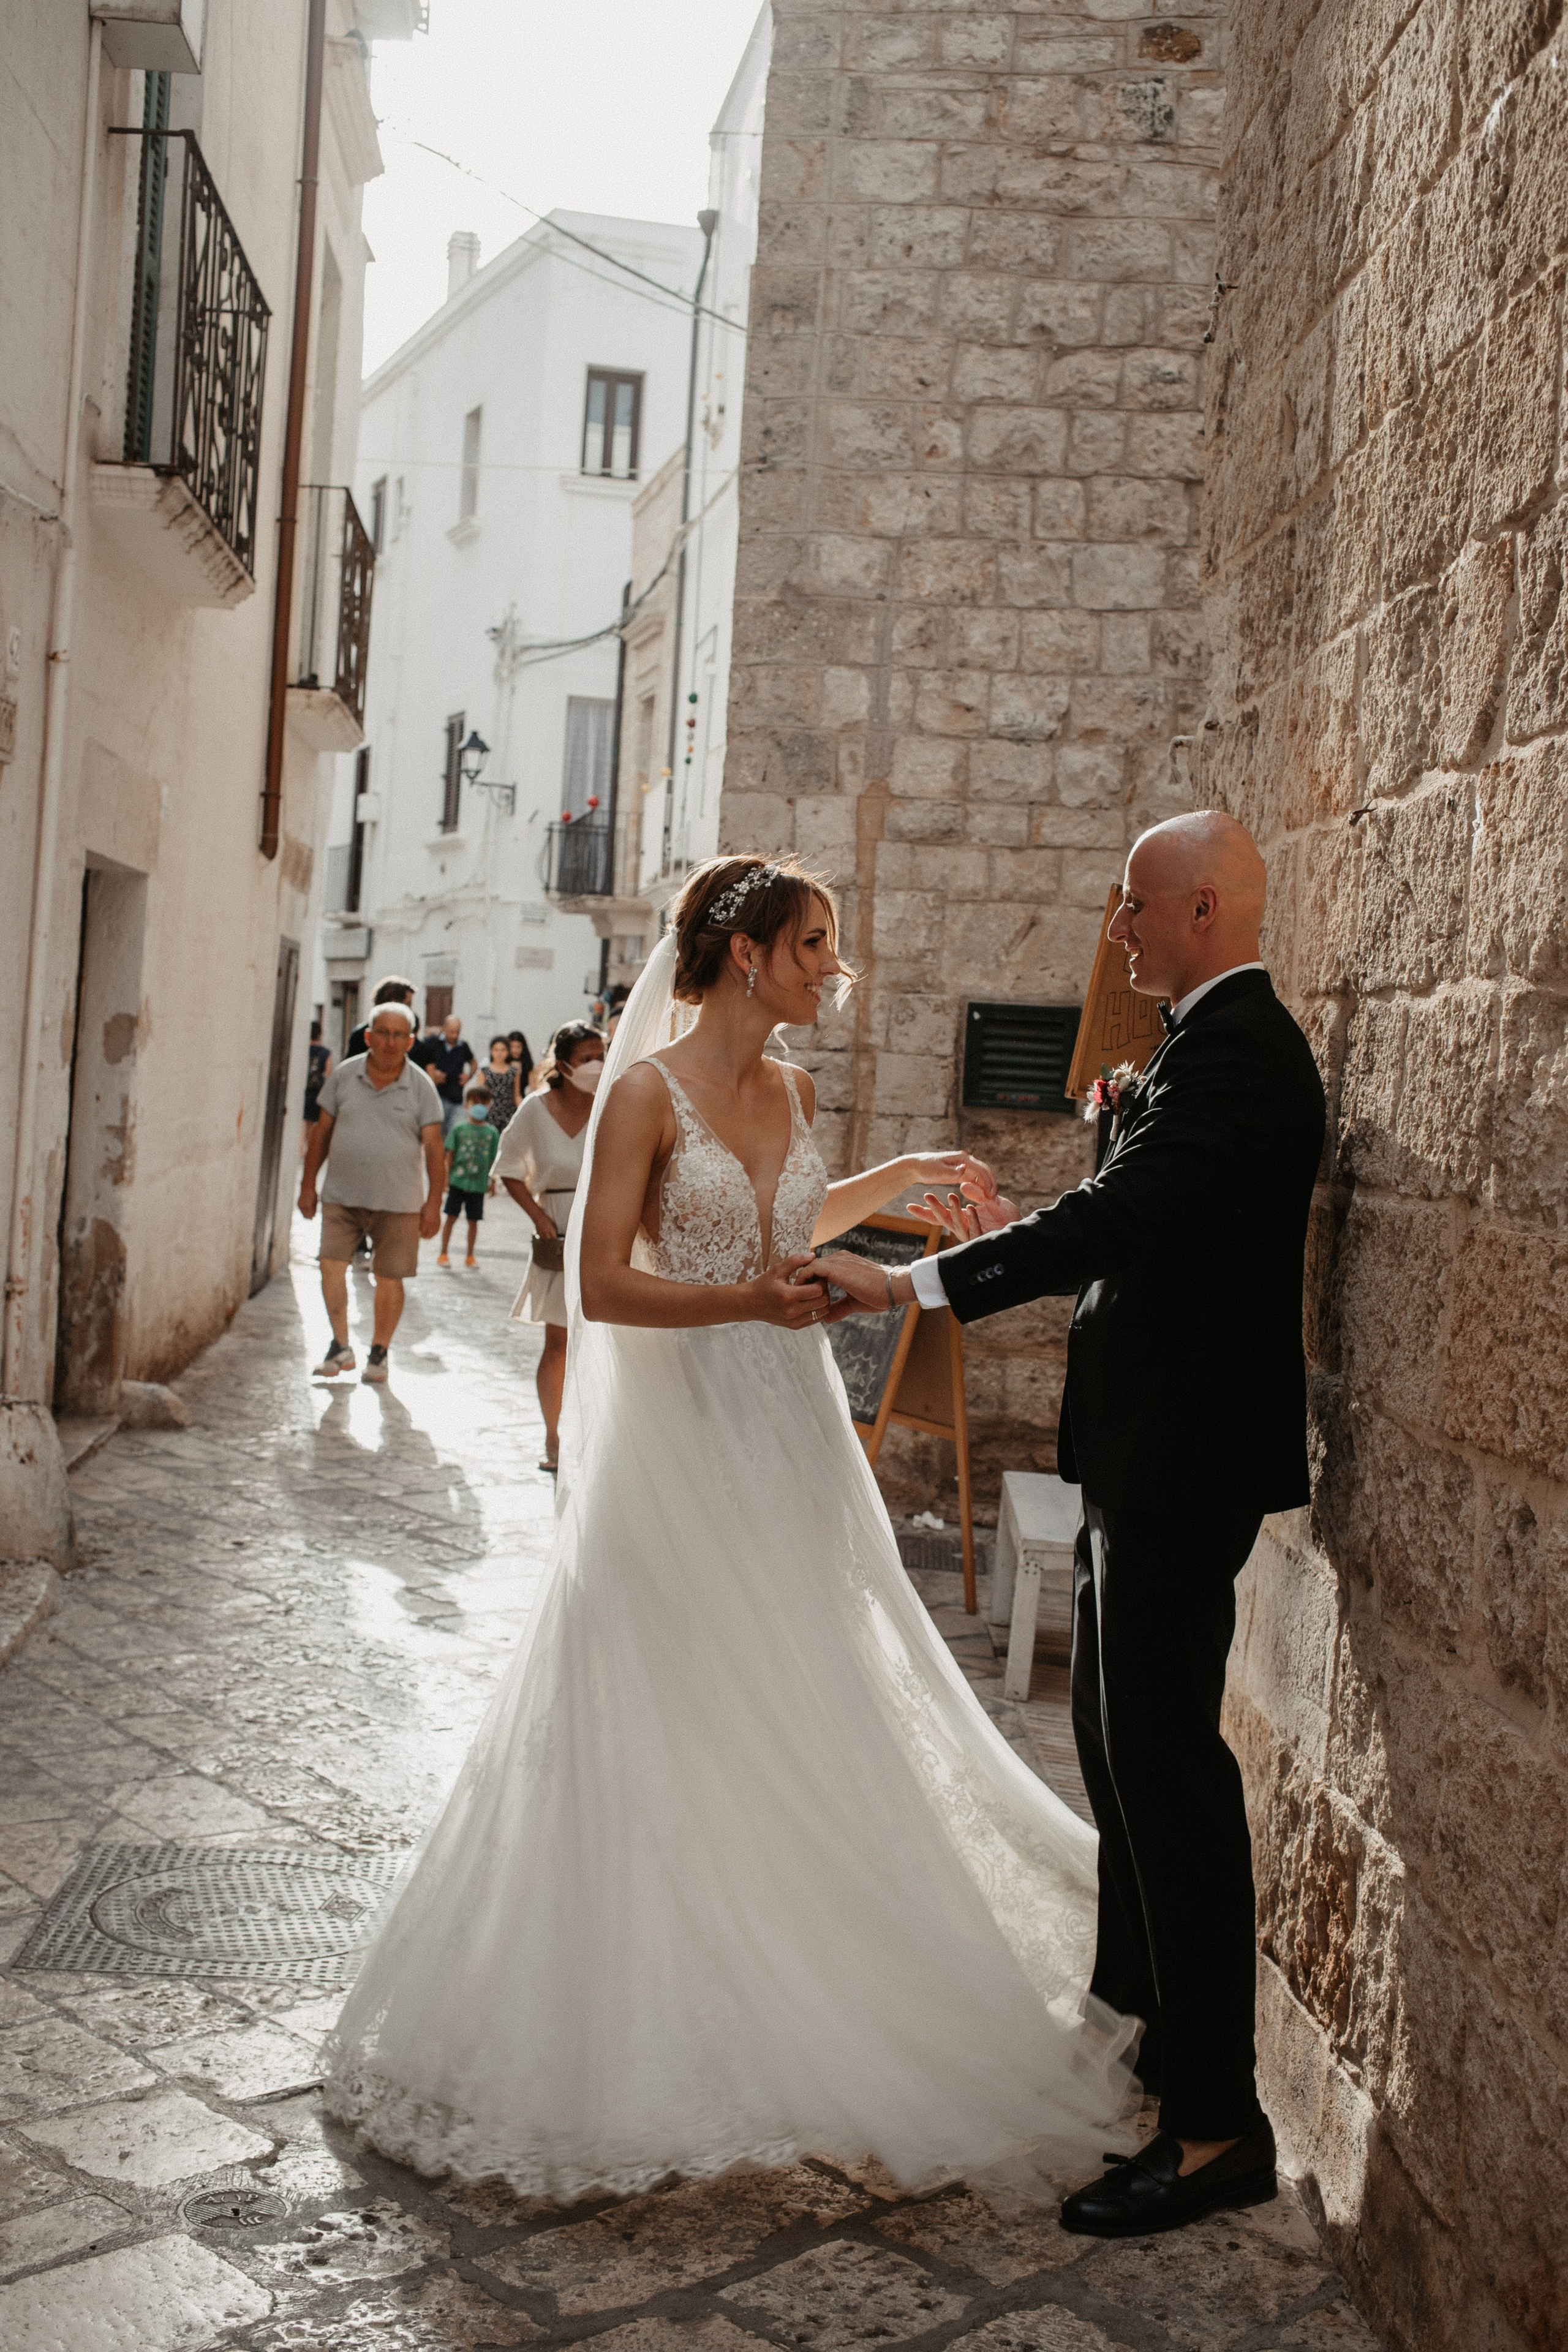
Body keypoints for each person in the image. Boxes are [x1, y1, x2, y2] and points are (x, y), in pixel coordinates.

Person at [323, 853, 1140, 2201]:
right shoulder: (643, 1094)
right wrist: (745, 1312)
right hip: (682, 1430)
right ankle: (659, 2013)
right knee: (665, 1690)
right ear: (746, 955)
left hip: (788, 1433)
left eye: (833, 945)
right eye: (814, 944)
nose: (835, 967)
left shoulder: (797, 1088)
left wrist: (898, 1181)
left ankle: (807, 1970)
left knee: (795, 1682)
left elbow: (781, 1225)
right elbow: (603, 1284)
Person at [818, 811, 1327, 2240]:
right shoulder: (1195, 1045)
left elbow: (1116, 1221)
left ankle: (1214, 2120)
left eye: (1135, 907)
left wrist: (911, 1284)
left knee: (1167, 1772)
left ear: (1205, 908)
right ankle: (1133, 2027)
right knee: (1114, 1745)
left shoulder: (1241, 1058)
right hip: (1141, 1457)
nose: (1117, 928)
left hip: (1180, 1467)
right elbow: (1126, 1212)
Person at [299, 1003, 445, 1384]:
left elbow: (434, 1149)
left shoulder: (421, 1087)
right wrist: (307, 1186)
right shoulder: (345, 1076)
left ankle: (379, 1351)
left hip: (399, 1202)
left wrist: (434, 1204)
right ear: (368, 1035)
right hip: (342, 1195)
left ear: (411, 1041)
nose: (390, 1042)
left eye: (399, 1035)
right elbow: (321, 1134)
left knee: (390, 1277)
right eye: (383, 1032)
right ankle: (340, 1345)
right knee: (331, 1265)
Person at [492, 1020, 605, 1471]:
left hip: (604, 1225)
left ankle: (595, 1435)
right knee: (558, 1342)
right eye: (587, 1058)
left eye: (602, 1053)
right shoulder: (536, 1111)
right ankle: (554, 1436)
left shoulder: (611, 1106)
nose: (597, 1064)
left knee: (603, 1339)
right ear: (563, 1065)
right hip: (557, 1228)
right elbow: (508, 1167)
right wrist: (540, 1219)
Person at [438, 1082, 502, 1268]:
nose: (479, 1107)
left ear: (489, 1106)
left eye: (483, 1103)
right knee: (450, 1218)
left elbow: (493, 1160)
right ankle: (443, 1253)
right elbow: (449, 1157)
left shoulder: (492, 1133)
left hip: (478, 1185)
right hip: (457, 1183)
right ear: (467, 1105)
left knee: (473, 1221)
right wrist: (445, 1179)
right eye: (475, 1103)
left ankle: (470, 1256)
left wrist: (492, 1182)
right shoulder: (459, 1130)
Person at [347, 974, 417, 1061]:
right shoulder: (359, 1035)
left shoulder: (409, 1034)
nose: (410, 1009)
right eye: (408, 1004)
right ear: (394, 1002)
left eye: (398, 1034)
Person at [429, 1013, 475, 1137]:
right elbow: (421, 1060)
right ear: (444, 1028)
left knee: (454, 1134)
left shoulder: (463, 1046)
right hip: (438, 1096)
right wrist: (433, 1074)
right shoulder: (433, 1043)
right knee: (438, 1134)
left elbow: (474, 1063)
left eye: (457, 1032)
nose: (455, 1035)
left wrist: (469, 1076)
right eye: (452, 1032)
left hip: (456, 1096)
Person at [301, 1020, 331, 1159]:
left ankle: (302, 1149)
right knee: (316, 1123)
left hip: (305, 1089)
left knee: (304, 1121)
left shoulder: (303, 1050)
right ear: (320, 1034)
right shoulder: (326, 1052)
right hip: (319, 1091)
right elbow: (329, 1074)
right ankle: (310, 1150)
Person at [481, 1036, 518, 1133]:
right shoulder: (485, 1071)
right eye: (496, 1050)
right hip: (490, 1112)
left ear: (508, 1052)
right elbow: (480, 1094)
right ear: (491, 1051)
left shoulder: (514, 1072)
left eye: (503, 1050)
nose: (499, 1053)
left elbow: (517, 1096)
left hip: (509, 1113)